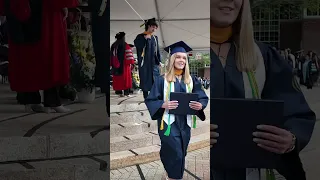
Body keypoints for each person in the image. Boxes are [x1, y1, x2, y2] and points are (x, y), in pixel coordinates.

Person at [210, 0, 315, 180]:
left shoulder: (263, 56)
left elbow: (295, 111)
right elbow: (160, 109)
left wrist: (290, 139)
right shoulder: (180, 56)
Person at [0, 0, 79, 113]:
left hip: (25, 8)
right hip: (44, 11)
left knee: (28, 54)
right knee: (47, 55)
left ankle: (32, 99)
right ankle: (50, 100)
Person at [145, 41, 208, 180]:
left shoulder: (192, 80)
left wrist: (200, 105)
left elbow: (202, 97)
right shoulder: (161, 80)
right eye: (178, 57)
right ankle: (174, 177)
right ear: (172, 59)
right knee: (175, 152)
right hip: (168, 123)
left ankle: (170, 173)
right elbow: (151, 100)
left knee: (182, 151)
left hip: (185, 124)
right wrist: (163, 104)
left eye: (184, 58)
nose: (181, 60)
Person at [134, 18, 161, 99]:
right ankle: (146, 97)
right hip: (144, 63)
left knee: (155, 79)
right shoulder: (140, 36)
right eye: (153, 27)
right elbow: (138, 46)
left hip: (154, 63)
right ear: (148, 26)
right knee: (145, 79)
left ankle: (154, 96)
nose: (154, 29)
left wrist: (159, 61)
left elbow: (157, 50)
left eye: (155, 28)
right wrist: (145, 39)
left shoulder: (155, 38)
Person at [110, 32, 134, 97]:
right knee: (125, 79)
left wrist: (111, 63)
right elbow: (129, 56)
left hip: (115, 65)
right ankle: (126, 93)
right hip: (124, 65)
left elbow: (111, 56)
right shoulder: (125, 44)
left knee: (117, 78)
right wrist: (131, 63)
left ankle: (119, 92)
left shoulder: (113, 45)